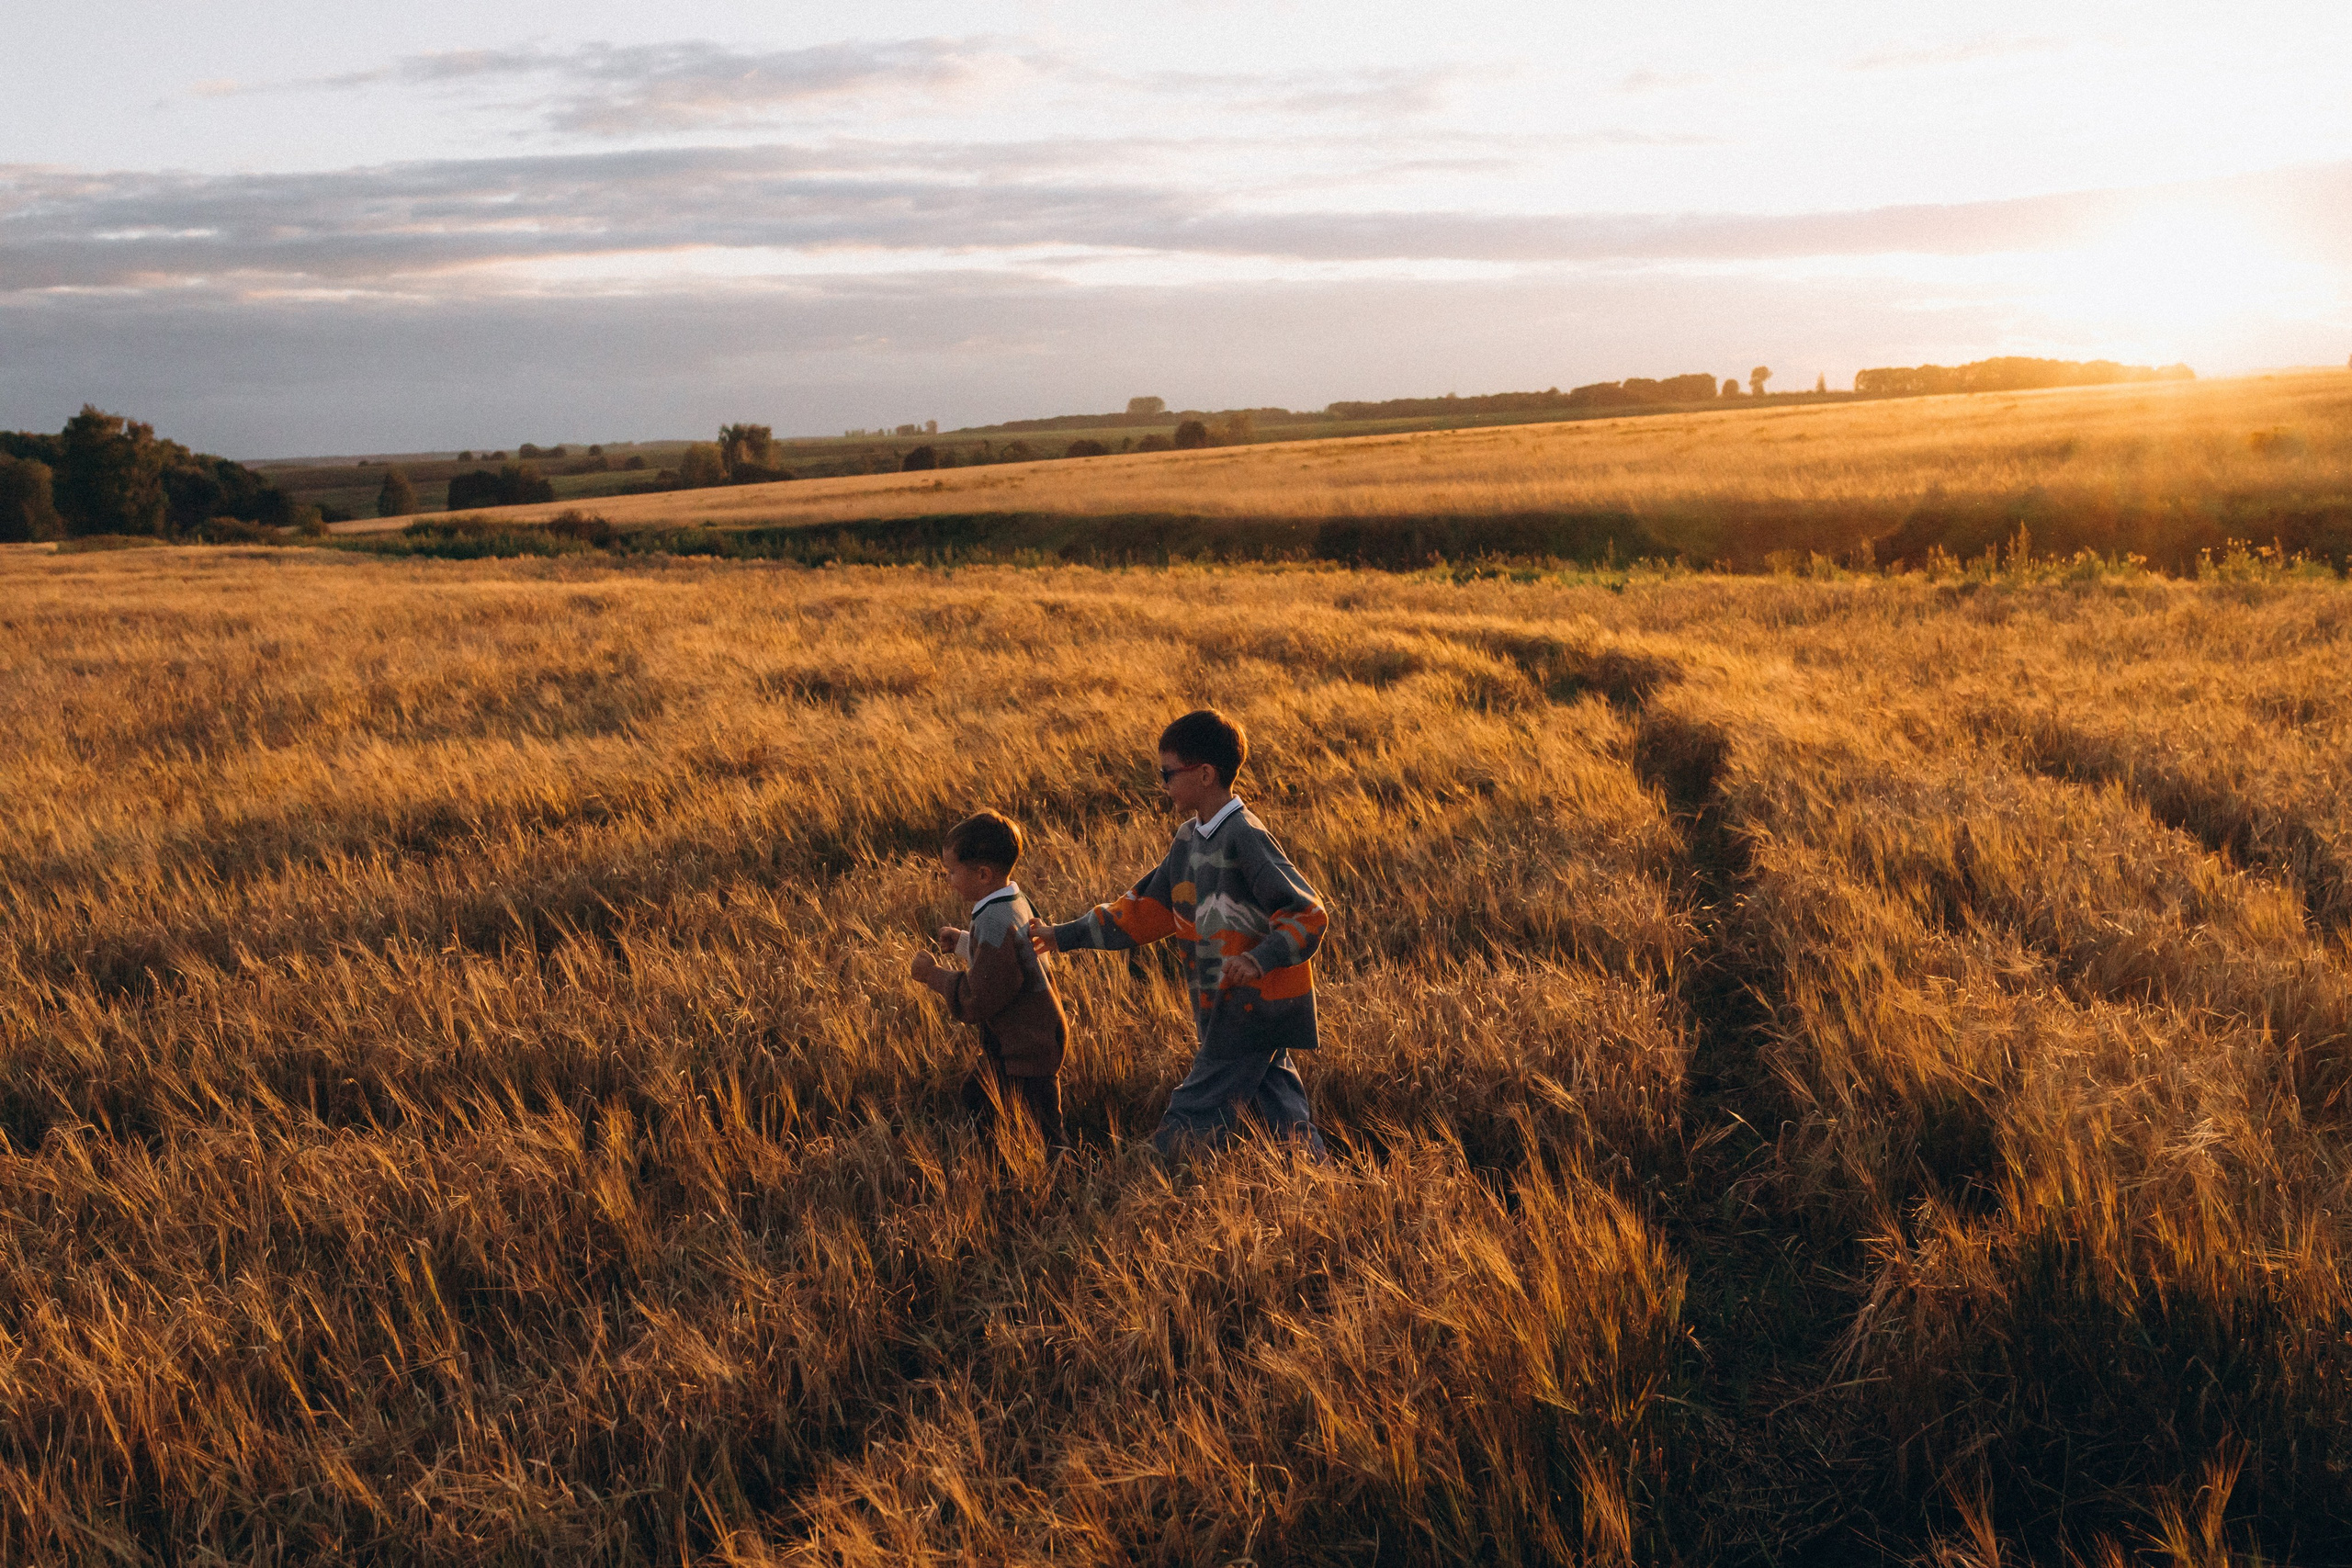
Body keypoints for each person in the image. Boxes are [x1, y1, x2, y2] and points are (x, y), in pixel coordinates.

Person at [1032, 708, 1329, 1156]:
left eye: (1168, 773)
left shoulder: (1244, 836)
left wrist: (1258, 959)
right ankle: (1317, 1178)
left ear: (1205, 774)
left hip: (1248, 1007)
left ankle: (1146, 1175)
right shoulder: (1188, 840)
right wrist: (1064, 935)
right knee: (1280, 1111)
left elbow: (1307, 913)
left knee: (1194, 1111)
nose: (1163, 784)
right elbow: (1141, 912)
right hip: (1223, 1007)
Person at [911, 810, 1070, 1157]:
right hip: (1027, 1036)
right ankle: (1003, 1164)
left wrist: (933, 975)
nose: (948, 879)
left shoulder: (993, 919)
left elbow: (980, 996)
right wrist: (964, 942)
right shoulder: (1014, 901)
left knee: (1044, 1130)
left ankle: (1060, 1180)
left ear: (983, 874)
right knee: (978, 1097)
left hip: (1025, 1046)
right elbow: (1009, 958)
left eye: (953, 871)